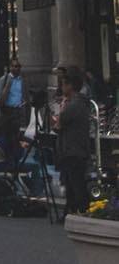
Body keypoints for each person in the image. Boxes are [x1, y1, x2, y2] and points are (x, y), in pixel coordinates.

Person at [53, 64, 93, 217]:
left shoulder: (74, 105)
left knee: (76, 184)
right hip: (76, 148)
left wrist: (60, 110)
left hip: (72, 149)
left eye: (63, 84)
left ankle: (82, 211)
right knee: (72, 184)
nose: (61, 88)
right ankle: (71, 211)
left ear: (70, 86)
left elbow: (58, 124)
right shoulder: (82, 103)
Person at [0, 56, 26, 163]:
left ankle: (14, 158)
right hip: (7, 111)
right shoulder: (4, 79)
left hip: (18, 111)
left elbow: (24, 96)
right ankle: (7, 157)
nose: (15, 68)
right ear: (10, 67)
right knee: (7, 135)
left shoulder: (23, 80)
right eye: (13, 66)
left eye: (17, 66)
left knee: (17, 136)